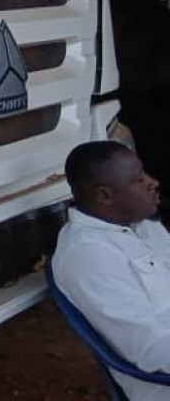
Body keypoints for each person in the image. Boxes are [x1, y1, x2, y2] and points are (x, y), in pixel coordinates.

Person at [53, 140, 170, 400]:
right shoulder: (88, 256)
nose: (153, 182)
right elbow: (148, 348)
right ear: (104, 195)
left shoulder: (143, 224)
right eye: (139, 180)